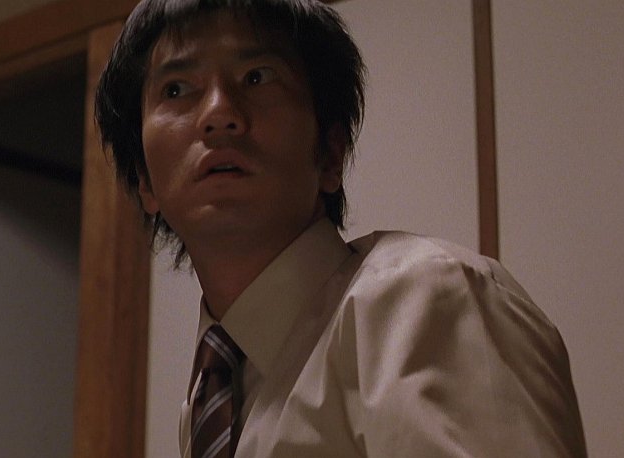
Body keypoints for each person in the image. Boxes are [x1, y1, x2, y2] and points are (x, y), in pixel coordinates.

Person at [96, 0, 587, 456]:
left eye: (257, 76)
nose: (219, 113)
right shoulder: (212, 393)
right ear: (145, 181)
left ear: (331, 153)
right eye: (176, 89)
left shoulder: (424, 301)